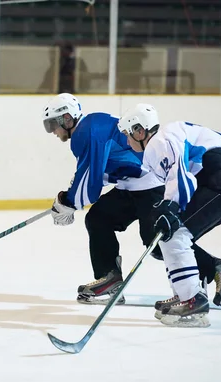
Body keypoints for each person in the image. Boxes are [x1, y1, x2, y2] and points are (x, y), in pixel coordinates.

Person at [117, 103, 221, 327]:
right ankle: (186, 293)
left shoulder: (159, 141)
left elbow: (181, 177)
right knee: (174, 234)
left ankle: (192, 301)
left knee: (174, 234)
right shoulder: (170, 136)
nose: (127, 141)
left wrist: (170, 206)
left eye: (128, 135)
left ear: (140, 131)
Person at [44, 93, 165, 305]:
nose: (52, 131)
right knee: (99, 218)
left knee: (158, 243)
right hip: (133, 185)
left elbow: (89, 186)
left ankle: (216, 269)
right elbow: (105, 169)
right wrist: (72, 194)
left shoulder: (86, 131)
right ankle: (110, 280)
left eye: (52, 124)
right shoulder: (91, 126)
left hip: (151, 185)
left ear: (67, 118)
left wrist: (68, 202)